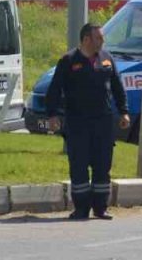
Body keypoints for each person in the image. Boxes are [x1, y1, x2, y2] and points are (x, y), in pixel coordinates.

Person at [45, 23, 131, 220]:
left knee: (102, 166)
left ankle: (100, 208)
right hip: (78, 123)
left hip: (103, 122)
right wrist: (53, 115)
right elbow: (55, 90)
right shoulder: (68, 61)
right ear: (86, 40)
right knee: (79, 166)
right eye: (98, 38)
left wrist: (124, 112)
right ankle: (81, 208)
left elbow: (118, 87)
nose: (102, 41)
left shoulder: (107, 59)